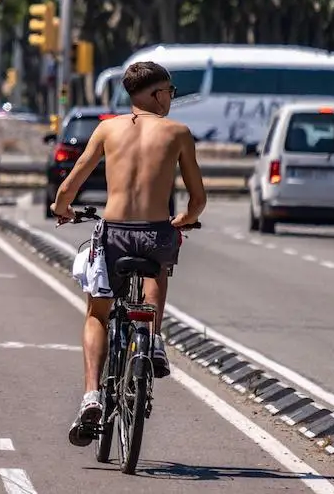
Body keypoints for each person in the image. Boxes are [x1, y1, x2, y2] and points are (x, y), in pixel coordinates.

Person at [50, 61, 207, 448]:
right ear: (154, 95)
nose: (171, 98)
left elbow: (72, 182)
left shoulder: (107, 128)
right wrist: (184, 219)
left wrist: (62, 207)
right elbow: (197, 197)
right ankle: (152, 340)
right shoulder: (178, 133)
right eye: (169, 91)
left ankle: (91, 397)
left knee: (97, 313)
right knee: (159, 268)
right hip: (155, 232)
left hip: (115, 233)